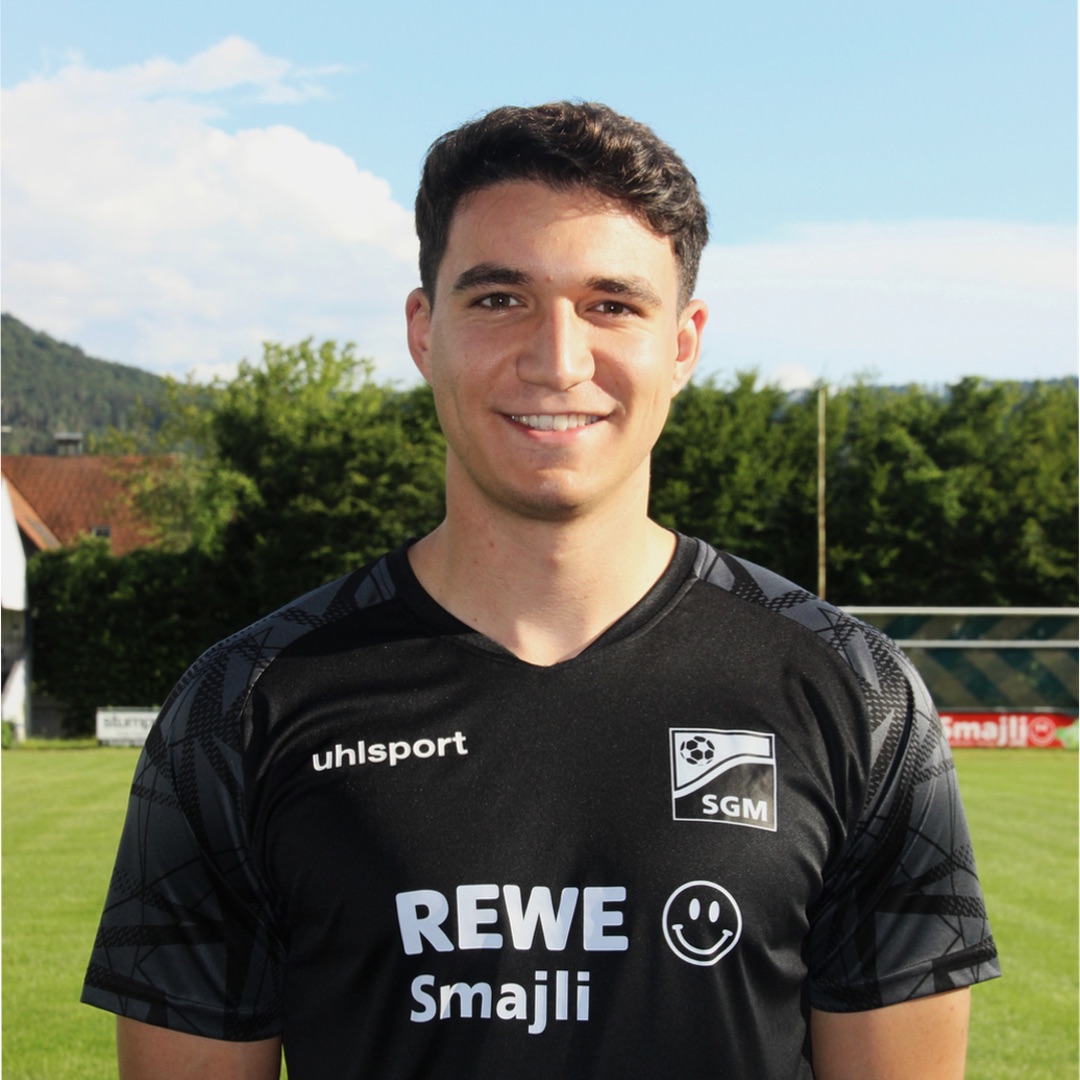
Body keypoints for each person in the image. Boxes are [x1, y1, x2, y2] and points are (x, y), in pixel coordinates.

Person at [82, 101, 999, 1079]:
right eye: (498, 298)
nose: (558, 361)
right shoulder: (239, 706)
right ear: (423, 330)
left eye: (612, 305)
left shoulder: (855, 693)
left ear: (683, 343)